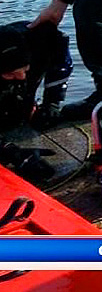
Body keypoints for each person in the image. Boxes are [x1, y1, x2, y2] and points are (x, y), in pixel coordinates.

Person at [0, 21, 73, 184]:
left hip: (31, 58)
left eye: (25, 69)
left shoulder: (42, 40)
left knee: (22, 114)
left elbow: (62, 64)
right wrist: (12, 153)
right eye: (11, 74)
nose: (21, 76)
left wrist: (52, 102)